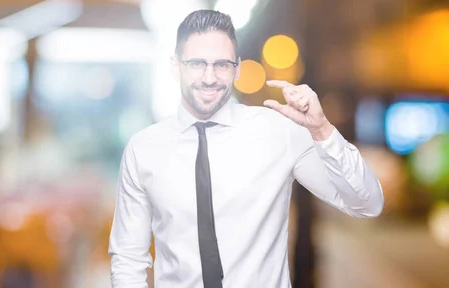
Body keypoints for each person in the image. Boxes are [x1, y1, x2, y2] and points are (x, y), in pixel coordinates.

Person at [108, 9, 384, 288]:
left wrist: (322, 129)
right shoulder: (144, 148)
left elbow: (367, 204)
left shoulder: (279, 132)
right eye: (196, 63)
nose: (209, 77)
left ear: (237, 68)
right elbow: (128, 258)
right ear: (175, 66)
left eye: (222, 65)